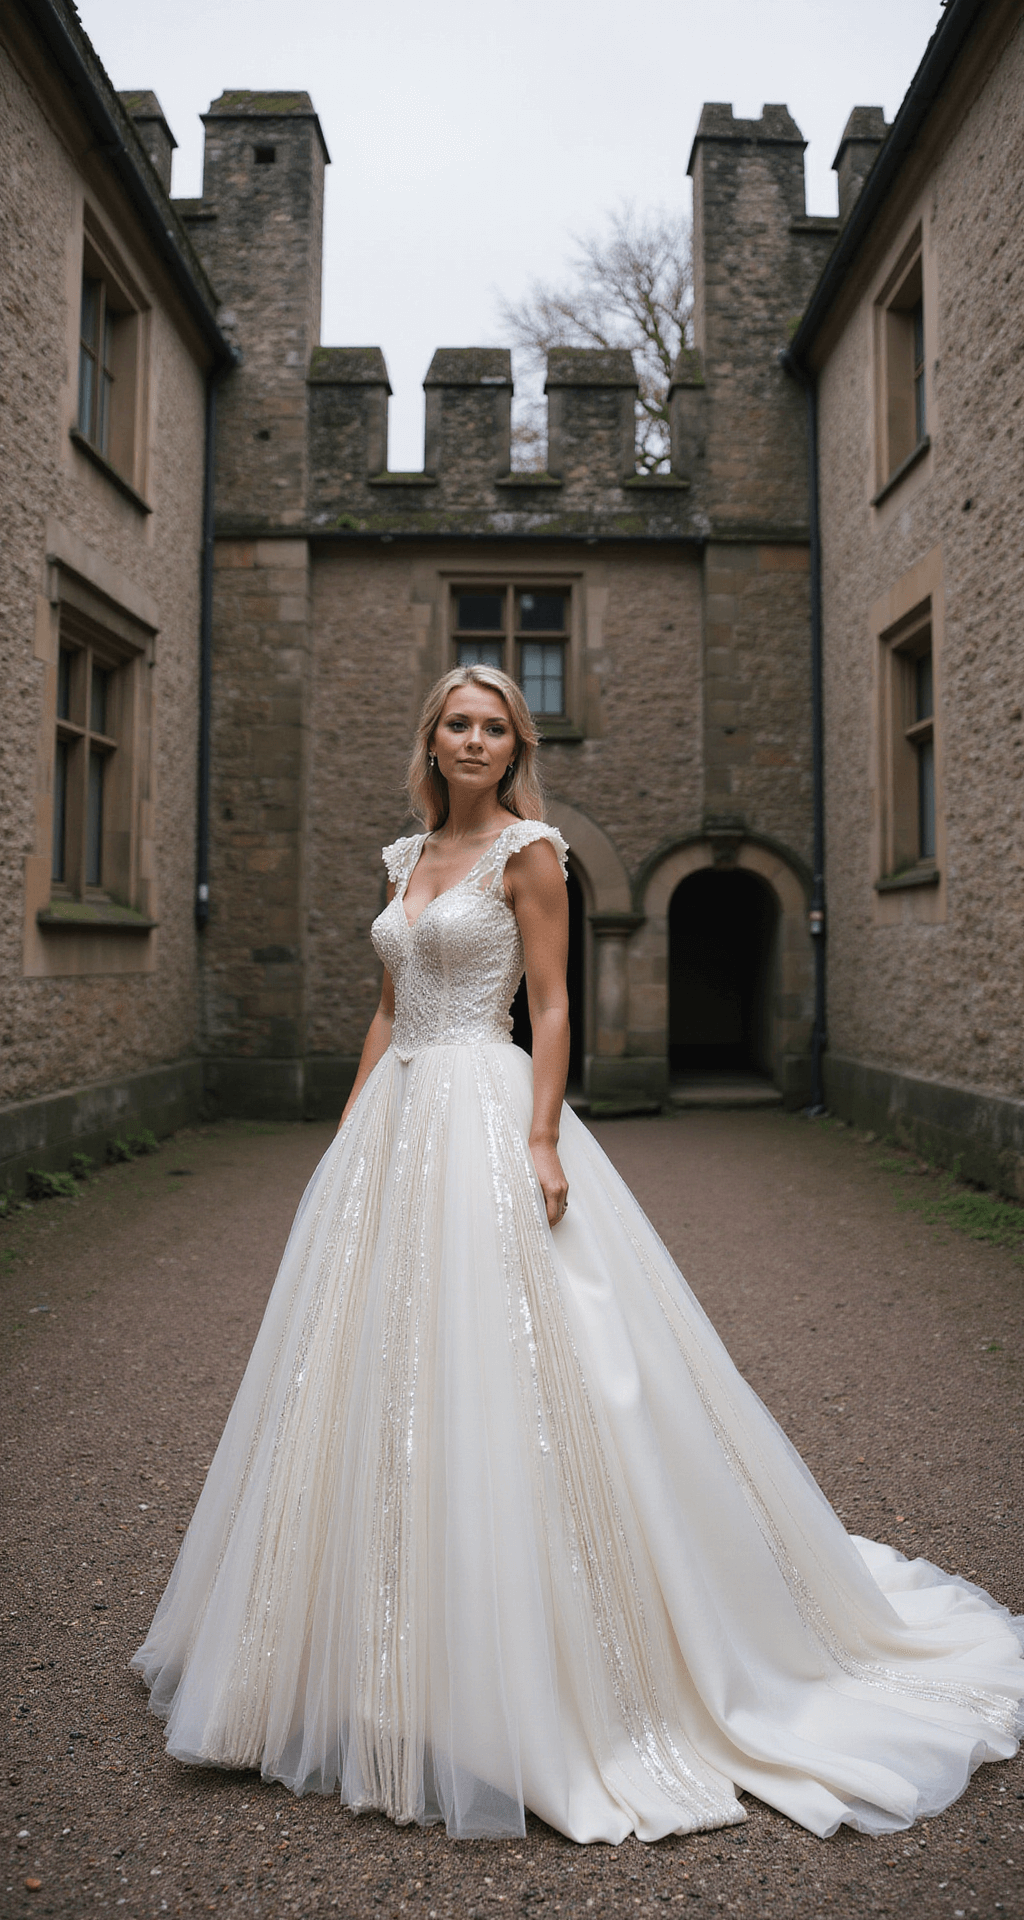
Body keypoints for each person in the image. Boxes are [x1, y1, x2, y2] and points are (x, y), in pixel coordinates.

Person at [133, 665, 1023, 1846]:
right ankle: (359, 1659)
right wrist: (345, 1139)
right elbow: (390, 1010)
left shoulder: (531, 853)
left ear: (515, 746)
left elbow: (549, 1007)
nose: (474, 740)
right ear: (431, 736)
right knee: (361, 1378)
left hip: (488, 1116)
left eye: (495, 726)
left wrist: (543, 1135)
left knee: (520, 1364)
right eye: (458, 722)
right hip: (396, 1121)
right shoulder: (404, 863)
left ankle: (548, 1664)